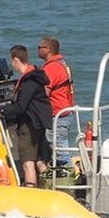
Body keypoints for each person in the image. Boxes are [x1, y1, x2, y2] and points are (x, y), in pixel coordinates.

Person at [0, 45, 52, 187]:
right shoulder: (36, 77)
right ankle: (49, 188)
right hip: (39, 124)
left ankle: (30, 189)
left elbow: (20, 107)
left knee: (27, 163)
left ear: (15, 60)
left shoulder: (28, 82)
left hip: (29, 125)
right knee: (40, 161)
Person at [39, 36, 75, 166]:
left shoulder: (51, 68)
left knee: (59, 149)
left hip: (58, 113)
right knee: (60, 146)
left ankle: (68, 176)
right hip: (66, 111)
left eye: (40, 47)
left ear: (47, 49)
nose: (37, 50)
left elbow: (44, 93)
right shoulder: (62, 64)